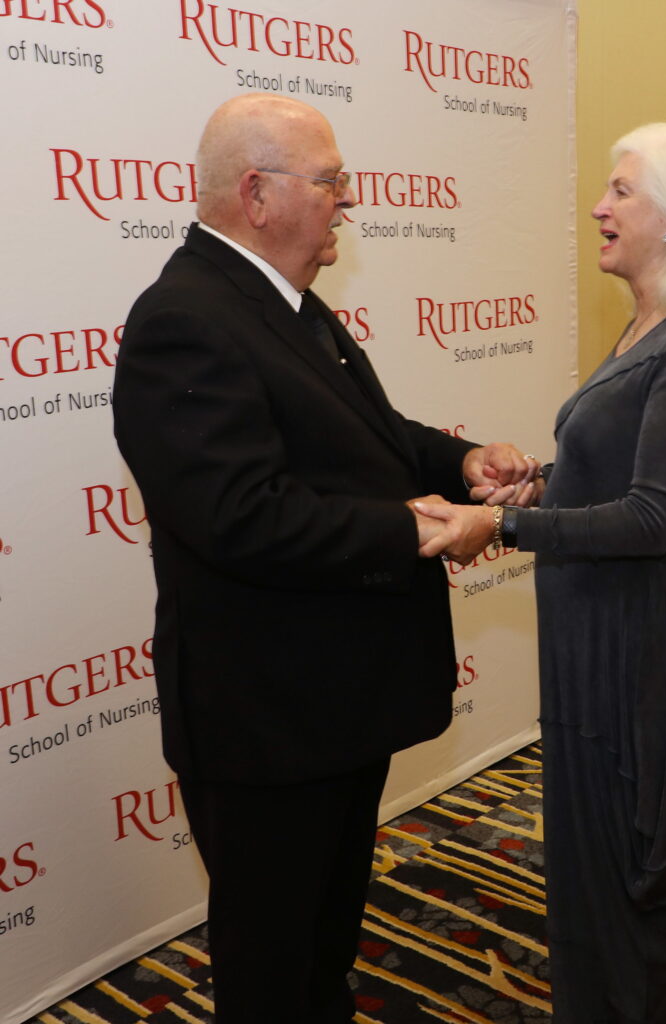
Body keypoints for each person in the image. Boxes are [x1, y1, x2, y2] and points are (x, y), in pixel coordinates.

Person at [112, 93, 536, 1024]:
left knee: (321, 938)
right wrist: (422, 529)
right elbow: (240, 517)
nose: (349, 202)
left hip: (331, 704)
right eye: (332, 181)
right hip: (266, 720)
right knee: (270, 962)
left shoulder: (283, 303)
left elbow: (368, 438)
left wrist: (457, 462)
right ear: (257, 194)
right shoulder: (184, 318)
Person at [416, 122, 666, 1022]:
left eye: (619, 191)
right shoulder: (651, 324)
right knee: (594, 855)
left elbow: (654, 519)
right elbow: (628, 475)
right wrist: (544, 479)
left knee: (641, 861)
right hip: (593, 633)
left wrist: (504, 520)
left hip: (641, 644)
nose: (597, 207)